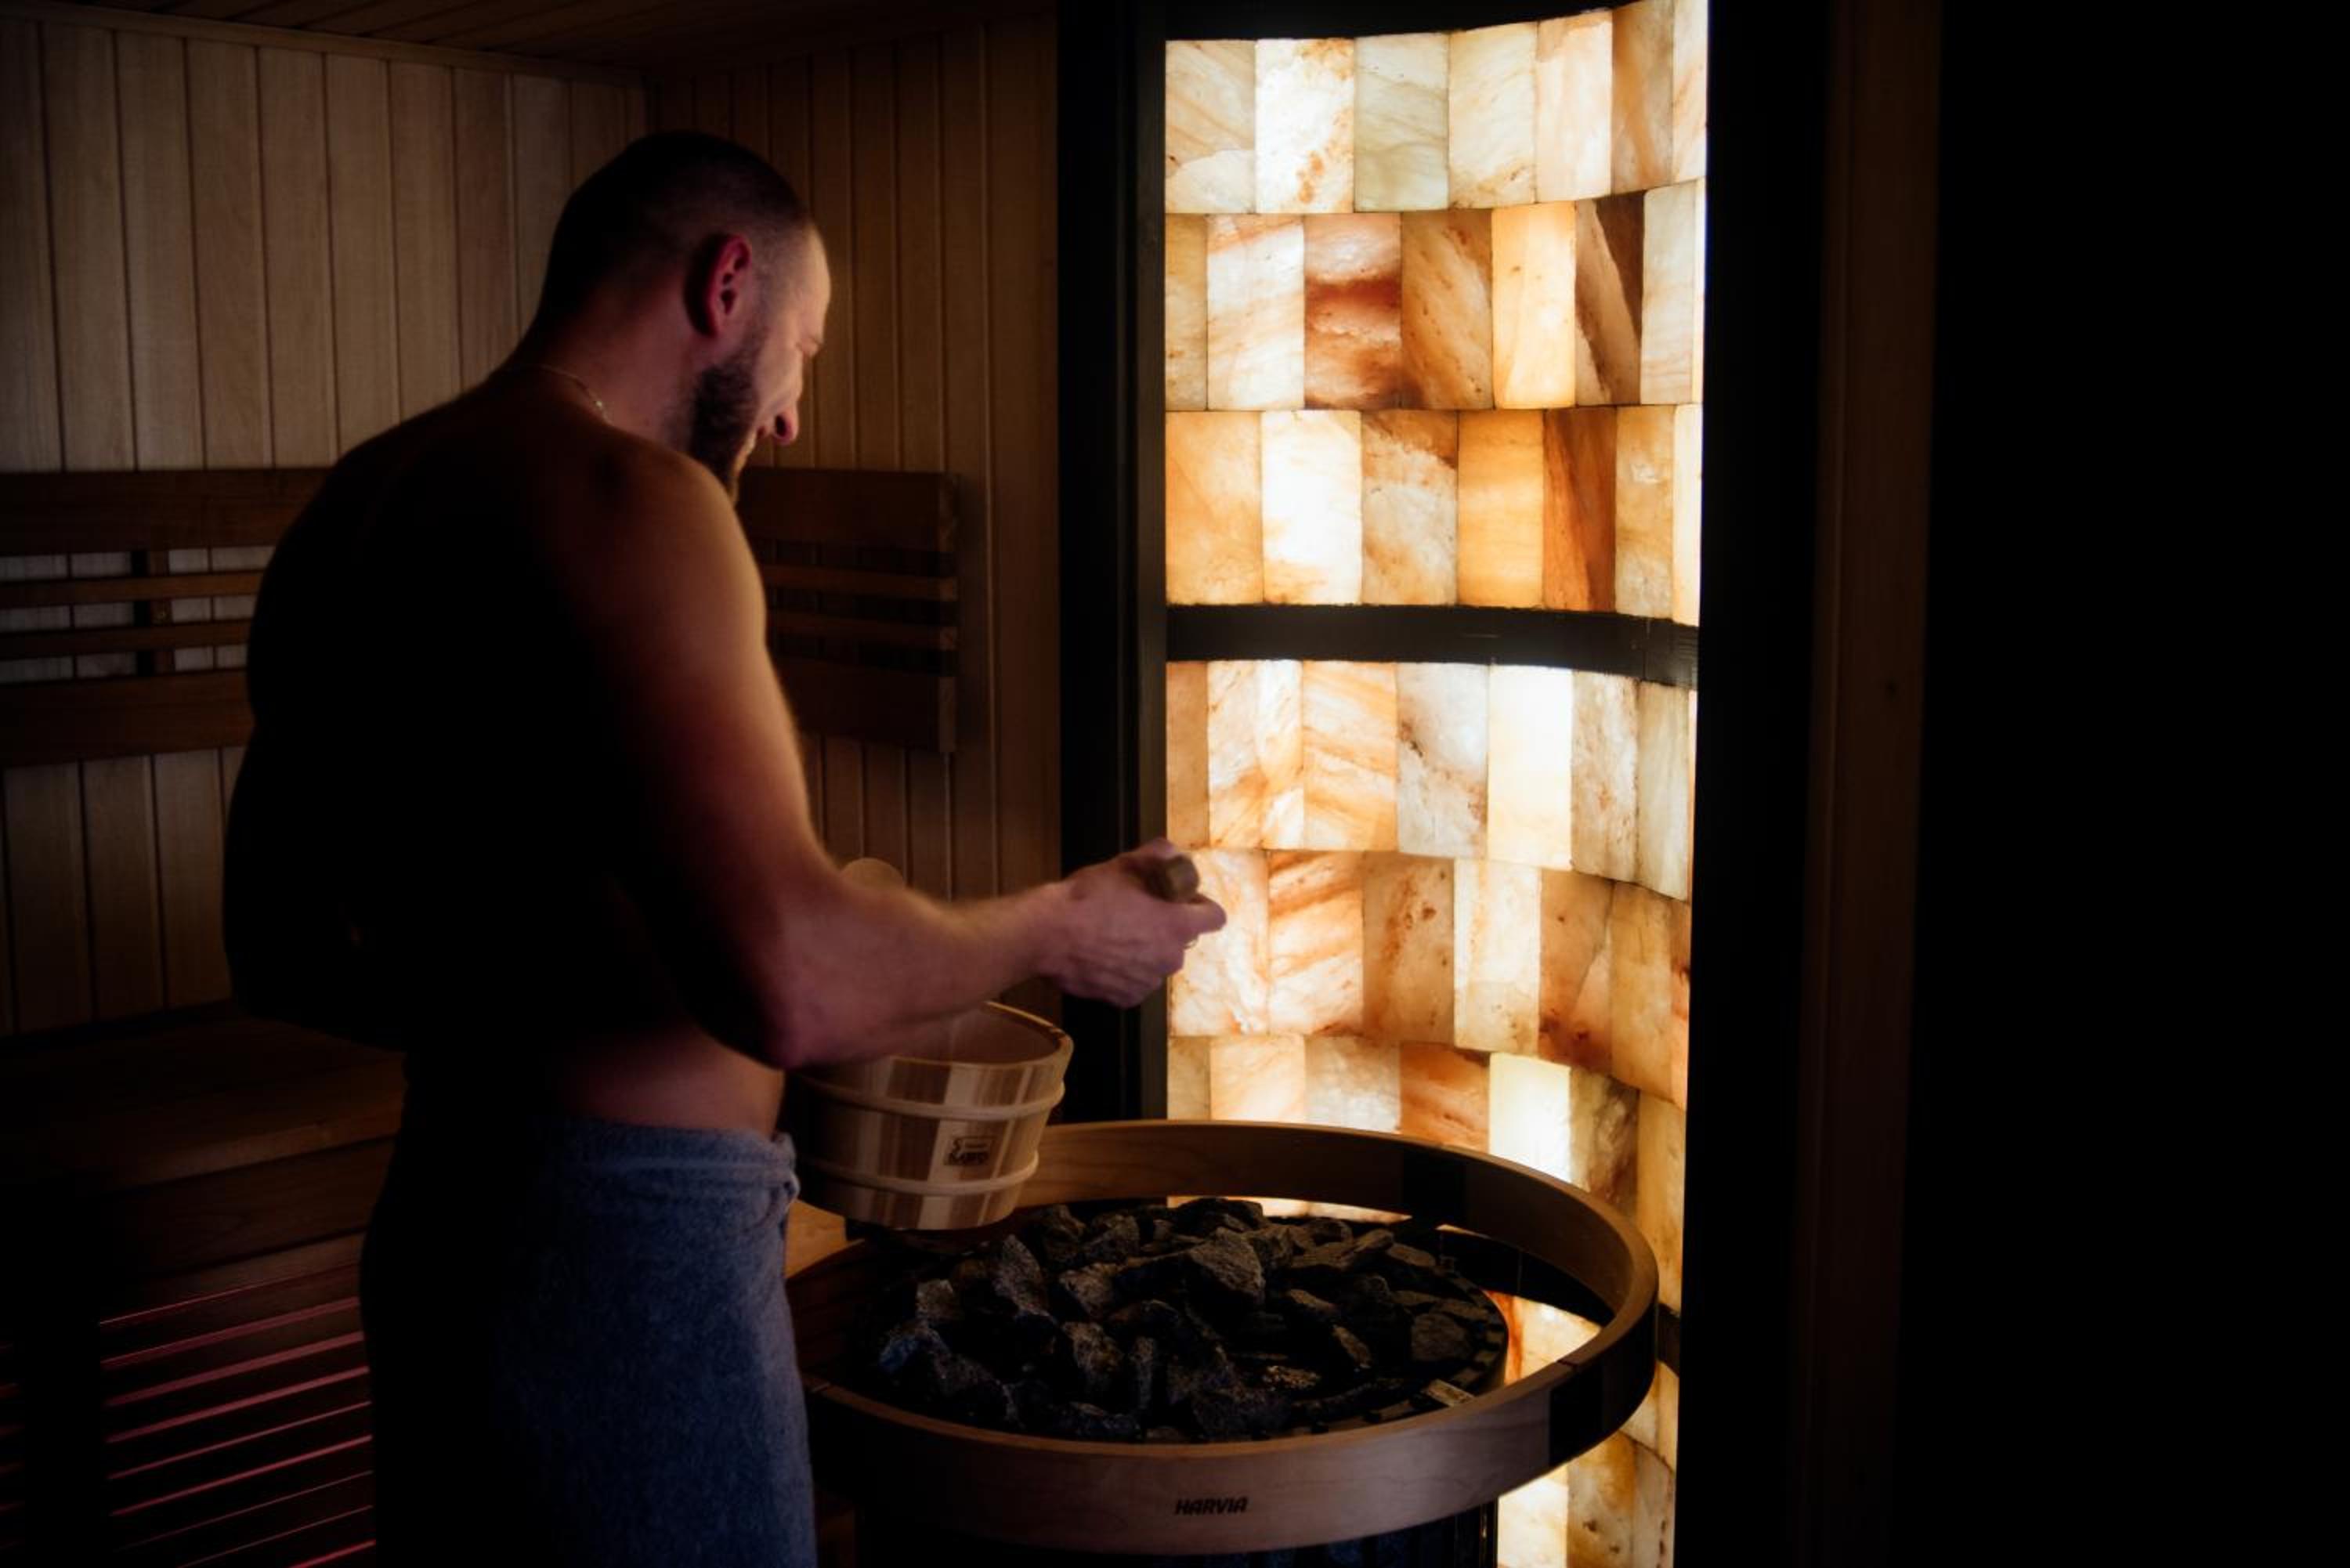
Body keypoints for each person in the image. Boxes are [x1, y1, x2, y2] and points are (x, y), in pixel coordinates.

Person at [222, 132, 1223, 1566]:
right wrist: (1068, 923)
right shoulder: (636, 499)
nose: (795, 414)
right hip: (630, 1257)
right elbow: (792, 987)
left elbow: (278, 946)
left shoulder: (359, 505)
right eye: (803, 349)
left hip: (449, 1218)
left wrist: (552, 992)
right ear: (727, 283)